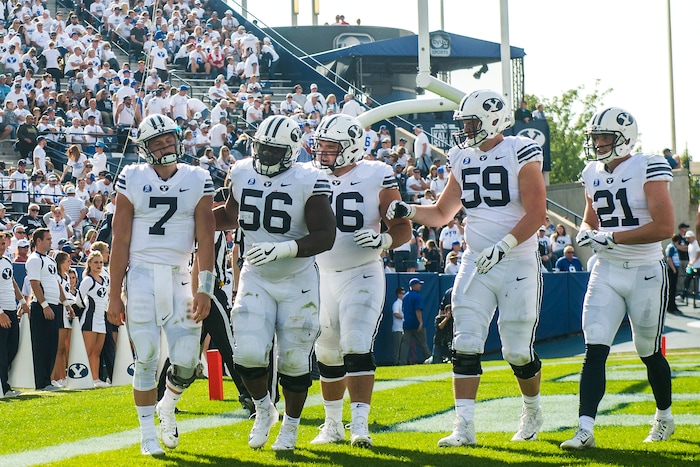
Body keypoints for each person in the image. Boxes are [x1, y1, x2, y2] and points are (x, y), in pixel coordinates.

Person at [387, 89, 546, 446]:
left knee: (517, 349)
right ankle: (464, 427)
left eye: (472, 122)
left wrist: (504, 245)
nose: (466, 129)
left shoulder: (520, 150)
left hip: (516, 257)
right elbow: (443, 213)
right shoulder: (462, 156)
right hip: (476, 259)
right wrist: (409, 210)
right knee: (465, 342)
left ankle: (533, 410)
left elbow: (537, 213)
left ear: (493, 120)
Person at [213, 115, 336, 451]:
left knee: (295, 361)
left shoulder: (308, 178)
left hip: (298, 279)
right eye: (261, 148)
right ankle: (265, 408)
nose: (263, 155)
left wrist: (284, 249)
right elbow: (229, 215)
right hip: (256, 275)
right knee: (247, 354)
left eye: (272, 150)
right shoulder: (240, 170)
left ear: (291, 151)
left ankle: (292, 426)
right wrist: (191, 221)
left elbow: (326, 235)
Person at [561, 107, 675, 449]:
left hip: (644, 270)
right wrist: (585, 232)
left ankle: (664, 417)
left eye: (604, 137)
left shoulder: (648, 165)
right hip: (606, 269)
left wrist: (613, 238)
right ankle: (584, 429)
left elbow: (665, 227)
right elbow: (590, 218)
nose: (597, 144)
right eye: (594, 137)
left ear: (624, 139)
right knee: (594, 347)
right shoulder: (591, 173)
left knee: (647, 349)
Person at [106, 114, 215, 456]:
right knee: (147, 357)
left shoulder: (198, 177)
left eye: (169, 140)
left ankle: (167, 404)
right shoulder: (131, 177)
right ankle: (146, 433)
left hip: (179, 274)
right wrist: (114, 294)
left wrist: (205, 288)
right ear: (145, 149)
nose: (166, 146)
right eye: (158, 142)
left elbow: (206, 239)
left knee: (186, 361)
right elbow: (119, 240)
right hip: (140, 274)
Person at [310, 114, 412, 448]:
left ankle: (360, 425)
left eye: (331, 147)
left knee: (355, 342)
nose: (324, 153)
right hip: (320, 273)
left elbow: (402, 227)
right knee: (326, 353)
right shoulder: (309, 175)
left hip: (362, 271)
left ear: (351, 148)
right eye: (321, 146)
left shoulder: (376, 173)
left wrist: (384, 240)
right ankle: (331, 424)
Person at [26, 228, 74, 391]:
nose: (50, 241)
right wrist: (44, 305)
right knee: (42, 345)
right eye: (47, 239)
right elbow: (34, 284)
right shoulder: (34, 259)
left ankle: (48, 379)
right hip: (42, 307)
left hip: (55, 306)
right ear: (38, 241)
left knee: (53, 344)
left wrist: (66, 304)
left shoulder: (50, 260)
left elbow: (56, 283)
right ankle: (41, 381)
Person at [0, 231, 30, 398]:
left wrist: (22, 302)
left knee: (12, 348)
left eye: (4, 244)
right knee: (2, 352)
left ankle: (5, 384)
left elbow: (12, 282)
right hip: (1, 311)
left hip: (11, 309)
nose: (2, 247)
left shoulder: (6, 261)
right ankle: (3, 387)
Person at [77, 250, 110, 388]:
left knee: (97, 351)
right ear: (89, 263)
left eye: (101, 262)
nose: (99, 265)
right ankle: (83, 378)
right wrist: (87, 307)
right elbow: (79, 299)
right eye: (96, 262)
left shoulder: (105, 279)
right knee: (87, 351)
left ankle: (95, 379)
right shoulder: (88, 280)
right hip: (89, 319)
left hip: (101, 319)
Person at [398, 278, 432, 365]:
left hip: (406, 323)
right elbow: (418, 310)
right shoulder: (417, 296)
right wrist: (420, 322)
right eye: (419, 284)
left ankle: (402, 362)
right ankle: (430, 359)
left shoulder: (405, 296)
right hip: (416, 324)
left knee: (405, 345)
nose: (420, 286)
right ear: (414, 286)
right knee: (423, 344)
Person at [665, 234, 682, 314]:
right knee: (671, 288)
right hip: (672, 269)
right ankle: (670, 306)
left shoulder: (673, 246)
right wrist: (674, 269)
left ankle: (673, 305)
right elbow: (669, 258)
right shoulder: (671, 247)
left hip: (674, 268)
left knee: (673, 288)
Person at [391, 287, 404, 366]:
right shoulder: (396, 303)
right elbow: (396, 314)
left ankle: (401, 361)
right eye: (402, 293)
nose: (403, 295)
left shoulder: (403, 303)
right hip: (397, 329)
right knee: (397, 347)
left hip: (403, 328)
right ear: (398, 294)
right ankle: (395, 362)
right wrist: (405, 318)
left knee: (403, 347)